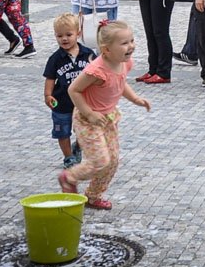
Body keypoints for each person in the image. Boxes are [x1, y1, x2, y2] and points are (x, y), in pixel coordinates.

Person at [58, 20, 151, 210]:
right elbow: (73, 90)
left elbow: (120, 82)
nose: (131, 46)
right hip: (87, 120)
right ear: (106, 49)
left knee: (112, 161)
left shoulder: (124, 63)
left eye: (131, 40)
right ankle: (69, 177)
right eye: (124, 43)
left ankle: (93, 196)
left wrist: (135, 99)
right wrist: (89, 113)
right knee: (100, 161)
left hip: (108, 117)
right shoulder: (97, 70)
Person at [42, 13, 94, 168]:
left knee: (84, 129)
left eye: (68, 35)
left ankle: (78, 145)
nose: (64, 39)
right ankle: (68, 157)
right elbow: (50, 78)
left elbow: (98, 74)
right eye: (59, 36)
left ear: (78, 33)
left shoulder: (88, 55)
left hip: (84, 102)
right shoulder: (55, 58)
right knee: (62, 131)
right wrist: (47, 95)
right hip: (62, 102)